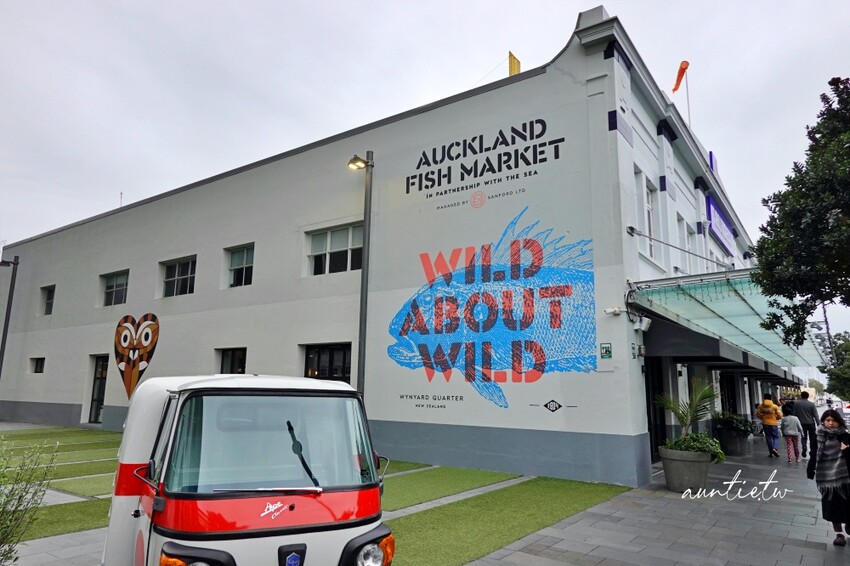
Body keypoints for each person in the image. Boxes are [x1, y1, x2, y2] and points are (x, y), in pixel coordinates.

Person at [807, 409, 850, 546]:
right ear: (823, 421)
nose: (831, 423)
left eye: (833, 420)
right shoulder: (818, 435)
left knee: (847, 505)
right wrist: (810, 468)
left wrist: (846, 449)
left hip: (845, 478)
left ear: (839, 421)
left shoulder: (844, 436)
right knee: (832, 508)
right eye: (827, 420)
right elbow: (813, 453)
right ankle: (839, 535)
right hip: (827, 479)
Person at [756, 393, 783, 457]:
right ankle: (774, 448)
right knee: (775, 437)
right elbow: (780, 415)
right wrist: (775, 418)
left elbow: (758, 414)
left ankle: (771, 452)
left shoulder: (760, 406)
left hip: (765, 423)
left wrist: (763, 418)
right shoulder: (774, 406)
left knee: (768, 438)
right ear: (770, 398)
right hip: (773, 423)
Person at [796, 391, 820, 459]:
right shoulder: (811, 404)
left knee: (804, 437)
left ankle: (804, 447)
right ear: (807, 396)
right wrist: (818, 424)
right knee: (812, 438)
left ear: (801, 396)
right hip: (811, 423)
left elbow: (795, 414)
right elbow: (816, 415)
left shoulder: (797, 404)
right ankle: (812, 450)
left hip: (802, 423)